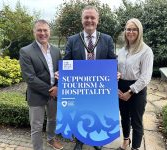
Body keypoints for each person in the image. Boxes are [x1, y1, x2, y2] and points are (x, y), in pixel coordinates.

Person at [62, 5, 117, 150]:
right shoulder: (73, 39)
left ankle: (96, 141)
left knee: (98, 112)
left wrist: (115, 73)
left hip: (99, 87)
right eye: (86, 17)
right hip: (80, 86)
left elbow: (112, 61)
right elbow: (67, 61)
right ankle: (79, 141)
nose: (89, 20)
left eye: (92, 17)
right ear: (82, 20)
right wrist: (61, 73)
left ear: (97, 20)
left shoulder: (107, 39)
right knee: (80, 113)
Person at [19, 19, 63, 150]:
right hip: (37, 94)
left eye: (45, 30)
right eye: (39, 30)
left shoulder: (56, 51)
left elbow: (61, 71)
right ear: (34, 32)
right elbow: (30, 78)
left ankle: (50, 139)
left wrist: (58, 86)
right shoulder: (25, 51)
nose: (42, 33)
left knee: (52, 119)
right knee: (36, 126)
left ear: (50, 32)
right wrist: (51, 90)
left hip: (54, 93)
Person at [117, 18, 154, 150]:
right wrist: (115, 83)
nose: (130, 32)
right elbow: (116, 70)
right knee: (124, 117)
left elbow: (145, 77)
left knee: (137, 121)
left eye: (134, 29)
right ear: (125, 31)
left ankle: (136, 147)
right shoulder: (122, 50)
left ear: (139, 31)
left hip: (137, 90)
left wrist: (130, 92)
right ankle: (126, 141)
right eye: (128, 29)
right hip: (121, 88)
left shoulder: (146, 51)